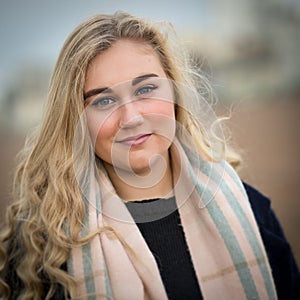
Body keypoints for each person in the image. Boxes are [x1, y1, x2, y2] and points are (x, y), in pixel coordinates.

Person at [0, 11, 299, 300]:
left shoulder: (251, 212)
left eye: (145, 89)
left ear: (174, 93)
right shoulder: (40, 248)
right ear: (75, 120)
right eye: (103, 100)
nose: (130, 118)